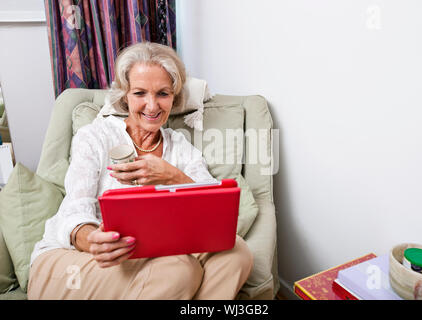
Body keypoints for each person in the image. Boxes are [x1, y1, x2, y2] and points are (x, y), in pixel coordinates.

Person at [28, 42, 253, 300]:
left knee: (236, 253)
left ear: (174, 96)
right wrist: (92, 239)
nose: (152, 105)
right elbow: (74, 209)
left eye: (162, 93)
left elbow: (213, 208)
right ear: (125, 95)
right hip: (74, 260)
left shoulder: (180, 147)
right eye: (140, 93)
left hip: (154, 258)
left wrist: (172, 176)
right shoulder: (95, 136)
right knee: (179, 269)